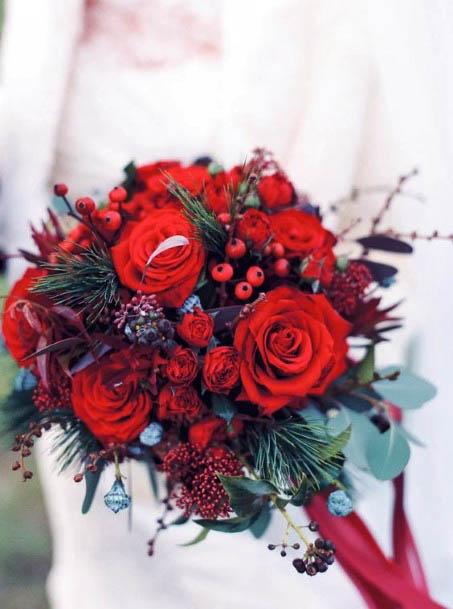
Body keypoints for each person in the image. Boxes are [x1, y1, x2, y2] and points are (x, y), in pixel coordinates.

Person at [1, 1, 452, 608]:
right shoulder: (47, 17)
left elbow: (395, 233)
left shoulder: (330, 24)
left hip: (260, 437)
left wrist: (266, 385)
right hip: (98, 415)